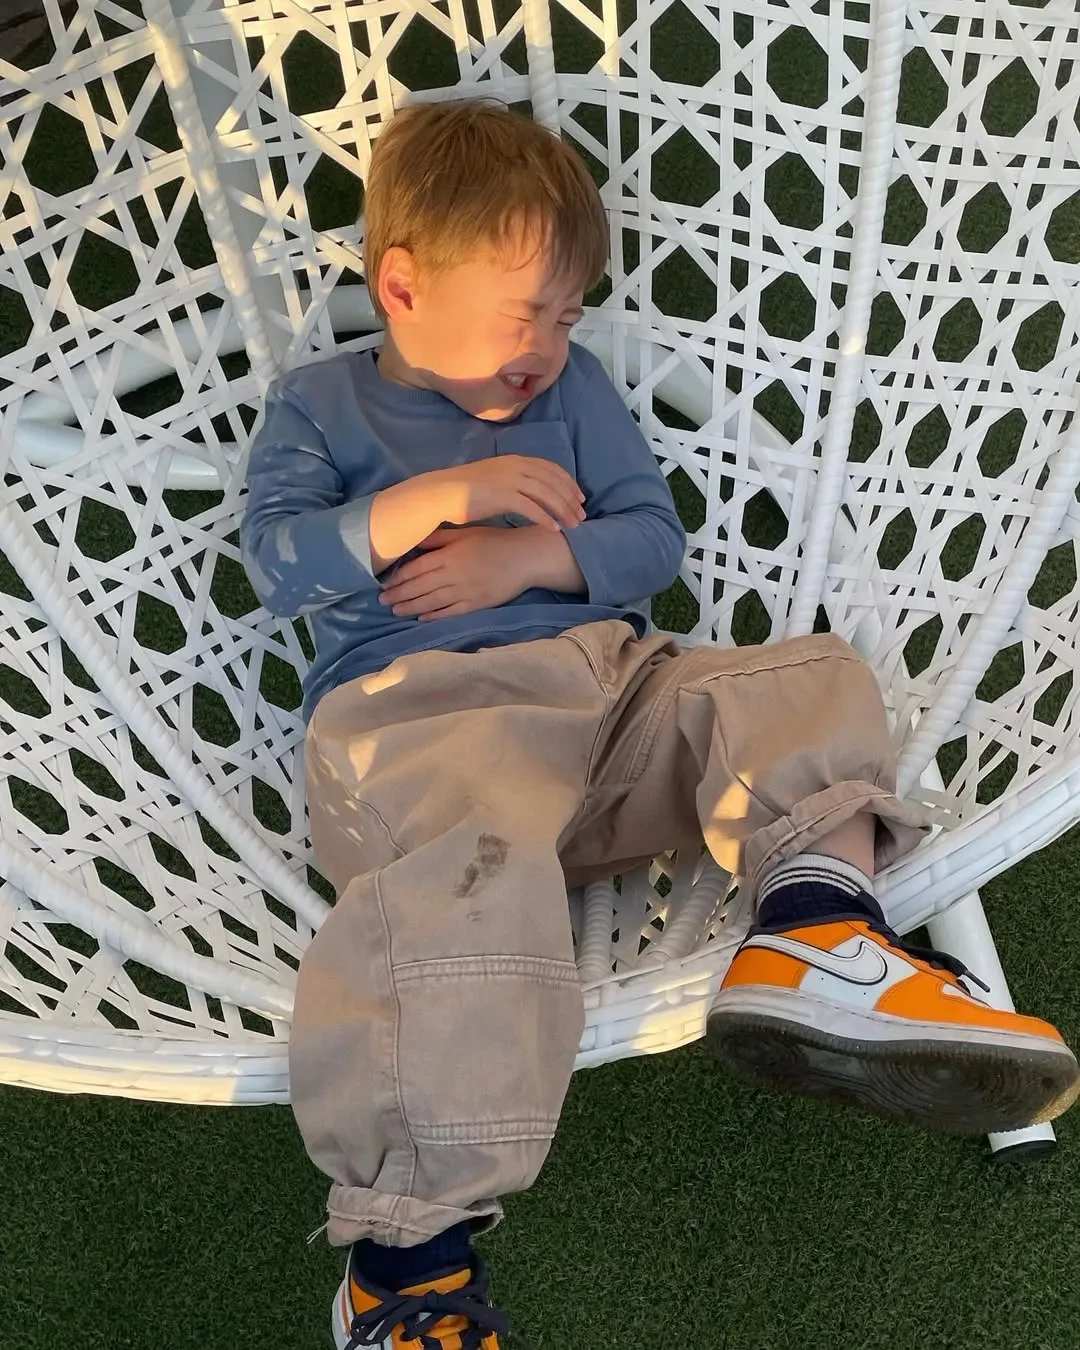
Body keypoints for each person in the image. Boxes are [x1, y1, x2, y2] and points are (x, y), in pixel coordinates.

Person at [241, 98, 1079, 1350]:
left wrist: (531, 559)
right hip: (425, 729)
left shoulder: (571, 391)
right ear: (403, 288)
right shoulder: (323, 405)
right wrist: (442, 501)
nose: (551, 343)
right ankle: (408, 1266)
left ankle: (816, 931)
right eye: (526, 313)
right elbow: (280, 565)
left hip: (609, 695)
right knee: (456, 906)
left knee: (805, 676)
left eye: (568, 315)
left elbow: (649, 539)